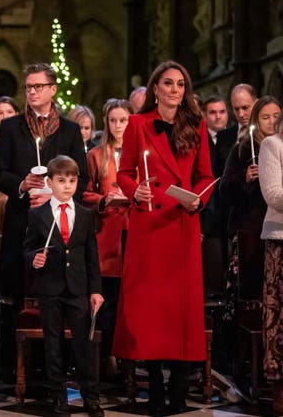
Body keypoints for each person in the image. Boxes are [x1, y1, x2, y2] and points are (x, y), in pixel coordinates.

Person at [112, 60, 215, 414]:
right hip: (150, 226)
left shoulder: (196, 125)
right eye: (168, 83)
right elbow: (124, 172)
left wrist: (199, 198)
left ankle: (179, 390)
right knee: (150, 310)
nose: (175, 90)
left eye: (181, 85)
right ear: (155, 88)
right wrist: (134, 191)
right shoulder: (138, 125)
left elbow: (204, 175)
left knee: (181, 310)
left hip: (183, 225)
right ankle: (154, 388)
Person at [0, 62, 88, 308]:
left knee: (56, 297)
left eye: (38, 86)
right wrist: (22, 184)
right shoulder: (11, 127)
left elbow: (83, 177)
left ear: (53, 89)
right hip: (21, 222)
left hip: (59, 223)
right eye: (28, 87)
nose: (32, 91)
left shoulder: (70, 131)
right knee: (18, 295)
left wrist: (55, 197)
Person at [24, 155, 104, 417]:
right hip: (50, 289)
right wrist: (34, 258)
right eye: (61, 181)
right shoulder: (37, 215)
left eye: (71, 180)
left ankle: (90, 396)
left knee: (83, 344)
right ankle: (59, 397)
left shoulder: (84, 214)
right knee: (54, 344)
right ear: (49, 182)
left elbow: (92, 256)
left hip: (78, 289)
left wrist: (96, 290)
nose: (67, 186)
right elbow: (27, 249)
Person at [220, 96, 281, 364]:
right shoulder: (244, 149)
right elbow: (225, 191)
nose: (271, 122)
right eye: (265, 117)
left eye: (276, 116)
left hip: (273, 229)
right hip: (249, 229)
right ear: (257, 120)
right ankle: (242, 358)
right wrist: (244, 179)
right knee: (247, 298)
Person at [82, 98, 132, 384]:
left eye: (123, 120)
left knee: (128, 297)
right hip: (106, 234)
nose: (118, 126)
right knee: (106, 297)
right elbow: (85, 193)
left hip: (132, 231)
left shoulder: (139, 155)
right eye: (113, 120)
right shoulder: (96, 155)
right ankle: (107, 356)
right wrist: (103, 199)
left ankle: (126, 355)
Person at [257, 114, 283, 415]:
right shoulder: (273, 145)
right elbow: (274, 195)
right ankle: (279, 388)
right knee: (279, 319)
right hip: (280, 240)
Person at [200, 95, 235, 298]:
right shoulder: (201, 139)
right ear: (205, 115)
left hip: (229, 213)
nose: (218, 117)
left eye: (222, 112)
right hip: (209, 214)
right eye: (212, 112)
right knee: (212, 270)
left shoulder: (234, 138)